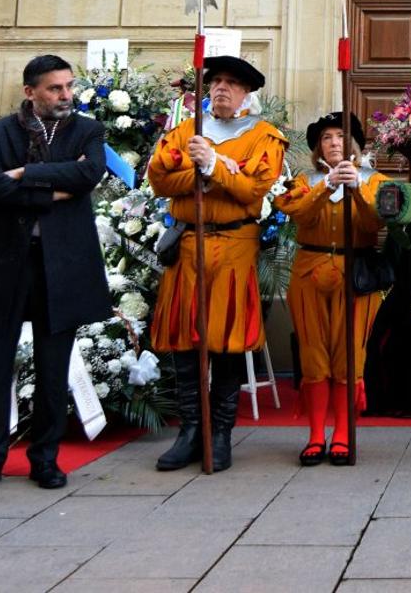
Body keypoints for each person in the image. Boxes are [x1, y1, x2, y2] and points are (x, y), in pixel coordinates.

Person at [0, 55, 111, 496]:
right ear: (30, 93)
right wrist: (50, 191)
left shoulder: (87, 130)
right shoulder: (0, 131)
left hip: (62, 262)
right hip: (5, 262)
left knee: (52, 367)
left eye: (68, 87)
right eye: (55, 89)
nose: (65, 96)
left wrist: (23, 174)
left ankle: (45, 458)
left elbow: (88, 173)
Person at [148, 55, 287, 472]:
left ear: (246, 93)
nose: (221, 88)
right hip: (189, 246)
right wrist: (211, 172)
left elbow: (252, 190)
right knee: (186, 343)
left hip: (234, 247)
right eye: (216, 82)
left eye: (231, 83)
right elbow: (160, 180)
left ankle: (221, 432)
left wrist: (209, 166)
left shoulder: (265, 137)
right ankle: (191, 430)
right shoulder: (186, 132)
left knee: (225, 341)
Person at [278, 112, 388, 466]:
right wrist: (326, 188)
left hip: (355, 275)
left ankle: (342, 433)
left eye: (340, 137)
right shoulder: (304, 180)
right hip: (309, 274)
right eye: (326, 138)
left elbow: (376, 223)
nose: (334, 143)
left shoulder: (375, 180)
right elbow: (298, 215)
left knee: (348, 355)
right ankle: (315, 435)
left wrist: (355, 189)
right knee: (313, 355)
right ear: (318, 147)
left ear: (352, 143)